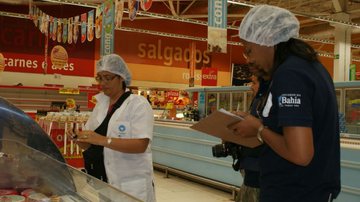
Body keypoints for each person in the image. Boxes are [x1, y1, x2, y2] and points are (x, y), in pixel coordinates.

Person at [230, 5, 340, 202]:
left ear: (266, 40)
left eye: (249, 50)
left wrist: (258, 129)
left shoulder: (290, 75)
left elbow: (300, 154)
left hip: (295, 193)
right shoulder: (310, 67)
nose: (248, 59)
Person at [68, 54, 156, 202]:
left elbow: (141, 145)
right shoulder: (100, 105)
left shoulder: (138, 104)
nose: (103, 83)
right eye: (100, 78)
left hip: (131, 185)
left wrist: (102, 140)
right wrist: (78, 138)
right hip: (104, 182)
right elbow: (88, 144)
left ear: (121, 77)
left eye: (108, 78)